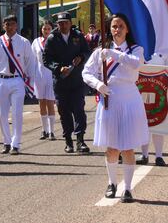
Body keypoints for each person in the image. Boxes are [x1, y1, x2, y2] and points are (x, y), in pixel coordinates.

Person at [82, 13, 149, 203]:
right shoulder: (100, 52)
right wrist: (97, 84)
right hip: (109, 98)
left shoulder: (136, 50)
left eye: (120, 26)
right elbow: (86, 73)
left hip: (129, 98)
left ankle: (128, 188)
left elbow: (136, 64)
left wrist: (113, 54)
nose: (117, 29)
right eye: (113, 26)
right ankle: (112, 183)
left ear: (127, 29)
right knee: (112, 147)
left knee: (127, 147)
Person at [0, 15, 36, 155]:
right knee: (1, 114)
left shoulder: (24, 42)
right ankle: (6, 142)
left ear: (16, 25)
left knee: (17, 113)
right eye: (7, 24)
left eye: (12, 24)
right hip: (1, 80)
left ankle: (16, 143)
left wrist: (30, 83)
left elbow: (30, 63)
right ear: (3, 26)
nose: (10, 27)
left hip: (17, 80)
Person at [43, 12, 91, 154]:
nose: (63, 25)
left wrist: (81, 57)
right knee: (64, 112)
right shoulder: (52, 38)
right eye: (60, 23)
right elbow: (46, 59)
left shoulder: (78, 36)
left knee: (79, 110)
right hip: (61, 81)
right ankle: (68, 141)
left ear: (70, 23)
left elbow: (87, 52)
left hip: (76, 80)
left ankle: (80, 141)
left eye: (65, 22)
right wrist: (58, 68)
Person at [32, 20, 57, 140]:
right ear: (41, 30)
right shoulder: (36, 42)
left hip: (51, 74)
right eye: (44, 29)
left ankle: (52, 131)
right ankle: (44, 130)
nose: (46, 31)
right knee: (41, 102)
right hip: (39, 74)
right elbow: (32, 59)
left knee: (50, 102)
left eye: (48, 29)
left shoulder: (55, 41)